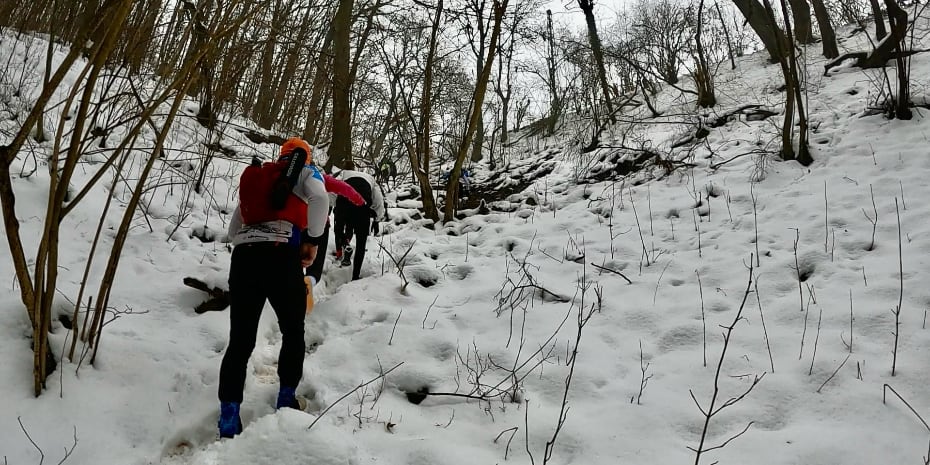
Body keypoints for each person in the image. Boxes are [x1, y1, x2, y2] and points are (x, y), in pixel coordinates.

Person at [217, 137, 327, 438]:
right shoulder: (304, 172)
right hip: (282, 257)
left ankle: (228, 417)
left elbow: (233, 230)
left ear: (281, 155)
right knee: (293, 331)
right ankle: (286, 398)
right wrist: (312, 240)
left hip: (244, 259)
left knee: (240, 341)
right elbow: (320, 199)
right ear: (305, 157)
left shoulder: (260, 178)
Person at [304, 172, 366, 285]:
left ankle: (339, 251)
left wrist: (332, 206)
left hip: (290, 224)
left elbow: (331, 196)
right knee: (314, 266)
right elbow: (342, 188)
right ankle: (310, 280)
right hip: (319, 223)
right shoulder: (315, 174)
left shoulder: (276, 171)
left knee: (339, 227)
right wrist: (360, 201)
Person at [333, 168, 387, 281]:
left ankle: (345, 244)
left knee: (344, 227)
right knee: (361, 243)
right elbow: (378, 200)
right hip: (363, 206)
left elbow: (334, 188)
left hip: (344, 202)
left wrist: (334, 207)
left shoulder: (344, 173)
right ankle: (355, 276)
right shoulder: (371, 179)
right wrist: (377, 218)